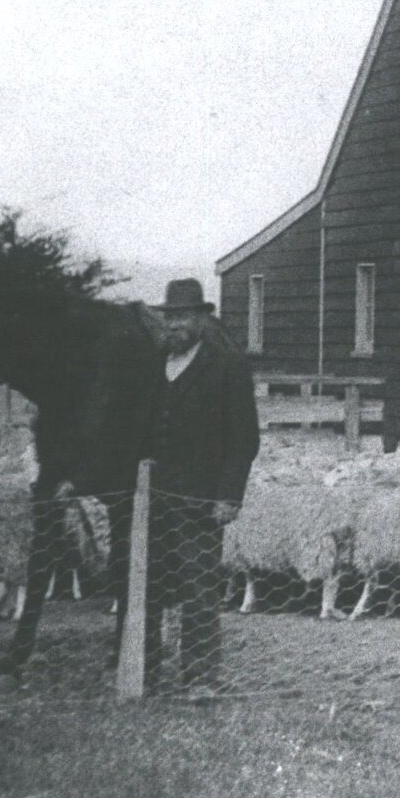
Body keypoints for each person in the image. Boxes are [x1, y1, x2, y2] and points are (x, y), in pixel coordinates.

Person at [144, 278, 260, 692]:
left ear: (200, 319)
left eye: (182, 316)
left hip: (201, 498)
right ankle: (144, 673)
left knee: (198, 588)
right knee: (147, 585)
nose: (173, 325)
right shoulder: (156, 362)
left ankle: (200, 678)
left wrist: (229, 495)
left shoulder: (226, 364)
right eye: (168, 317)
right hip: (152, 497)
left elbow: (244, 436)